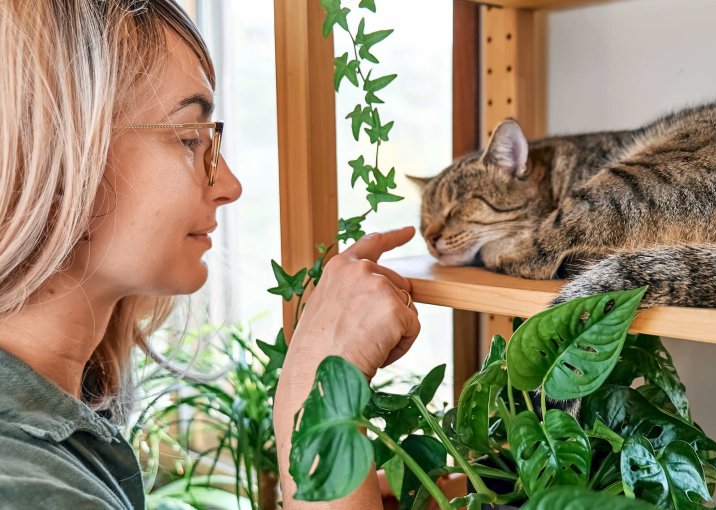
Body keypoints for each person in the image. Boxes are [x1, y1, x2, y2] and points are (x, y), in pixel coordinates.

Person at [0, 1, 417, 508]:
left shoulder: (65, 429)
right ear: (53, 162)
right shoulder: (25, 484)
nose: (230, 186)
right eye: (188, 138)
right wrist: (317, 402)